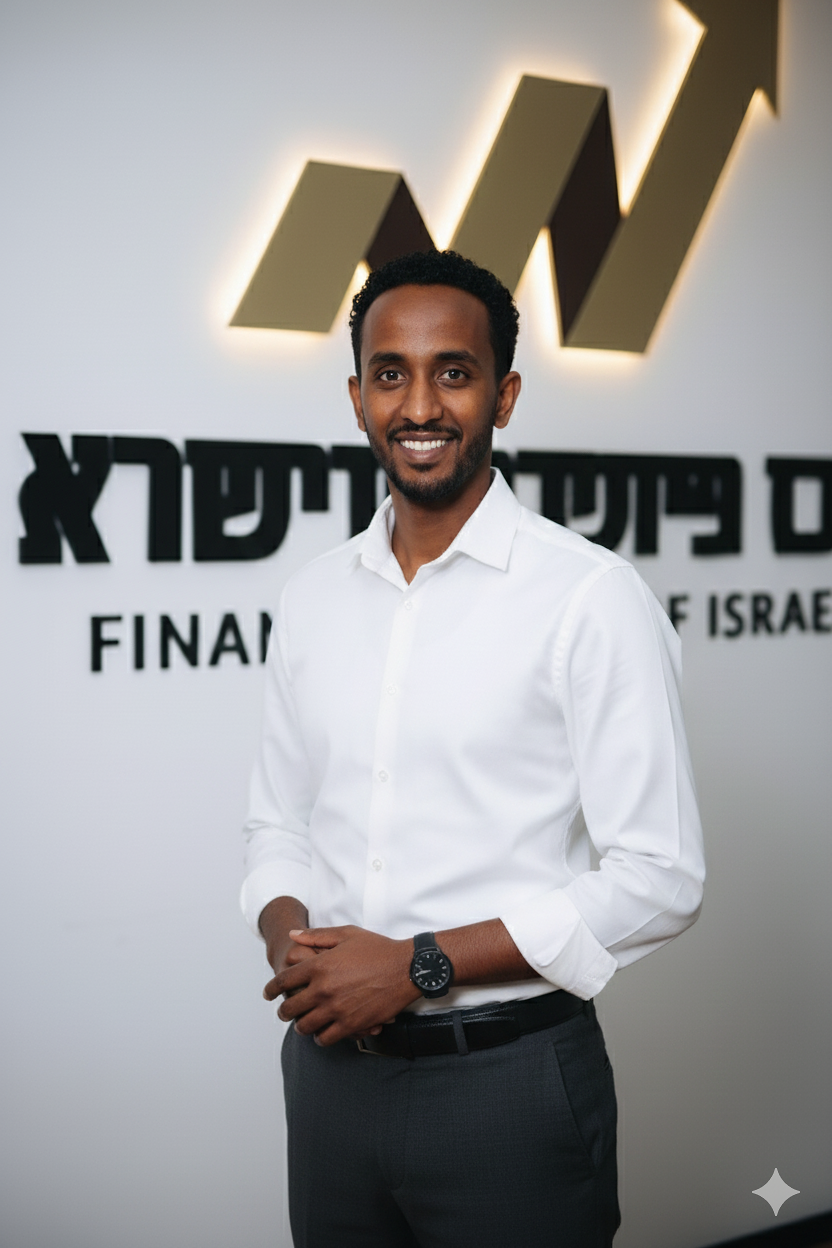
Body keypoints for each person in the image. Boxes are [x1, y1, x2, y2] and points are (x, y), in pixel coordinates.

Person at [241, 249, 705, 1248]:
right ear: (358, 398)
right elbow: (277, 825)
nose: (420, 405)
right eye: (390, 373)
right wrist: (294, 949)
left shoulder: (589, 598)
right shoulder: (311, 599)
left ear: (504, 395)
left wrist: (416, 967)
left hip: (508, 1086)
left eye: (452, 372)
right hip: (328, 1080)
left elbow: (662, 878)